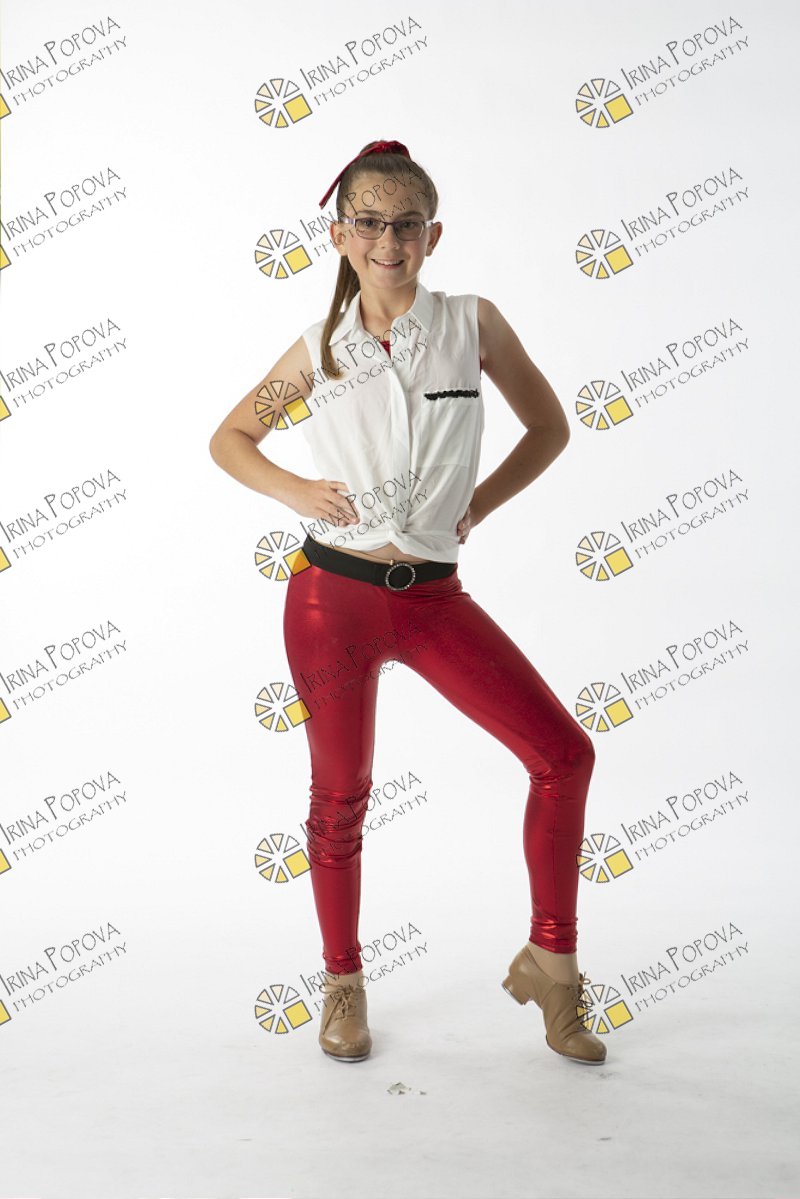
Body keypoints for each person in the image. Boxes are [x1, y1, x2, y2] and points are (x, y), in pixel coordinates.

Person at [209, 139, 606, 1067]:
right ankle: (342, 982)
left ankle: (553, 964)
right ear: (340, 235)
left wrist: (481, 503)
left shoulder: (472, 323)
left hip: (432, 599)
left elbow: (550, 426)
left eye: (408, 224)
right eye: (370, 223)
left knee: (563, 755)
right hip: (332, 600)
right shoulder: (319, 350)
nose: (389, 242)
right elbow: (229, 439)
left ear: (434, 234)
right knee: (340, 793)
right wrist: (297, 491)